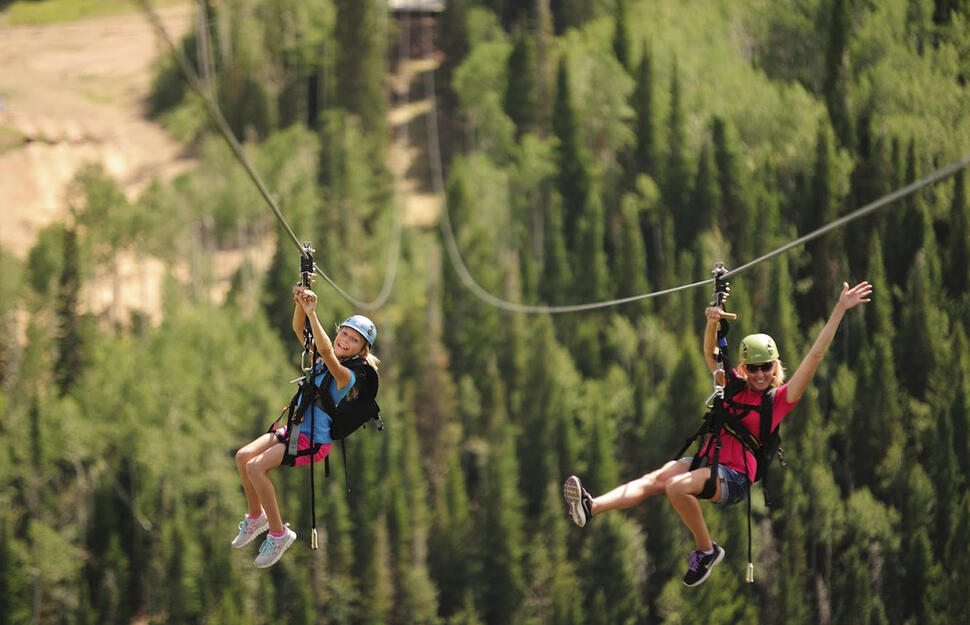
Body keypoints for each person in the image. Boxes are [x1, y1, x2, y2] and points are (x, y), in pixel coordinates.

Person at [563, 281, 872, 587]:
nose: (760, 374)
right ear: (745, 369)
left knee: (675, 487)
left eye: (766, 367)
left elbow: (815, 356)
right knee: (657, 479)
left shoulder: (778, 401)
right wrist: (713, 323)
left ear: (775, 367)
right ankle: (592, 508)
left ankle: (706, 550)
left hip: (735, 476)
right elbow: (711, 355)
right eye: (753, 369)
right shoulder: (734, 385)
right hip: (709, 461)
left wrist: (839, 309)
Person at [232, 285, 379, 568]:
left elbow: (324, 348)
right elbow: (299, 328)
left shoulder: (345, 376)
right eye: (345, 333)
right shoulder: (322, 361)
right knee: (243, 457)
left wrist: (313, 313)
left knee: (255, 467)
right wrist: (301, 303)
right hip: (295, 431)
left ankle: (279, 534)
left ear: (362, 351)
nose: (345, 340)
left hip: (313, 443)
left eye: (354, 340)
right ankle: (256, 517)